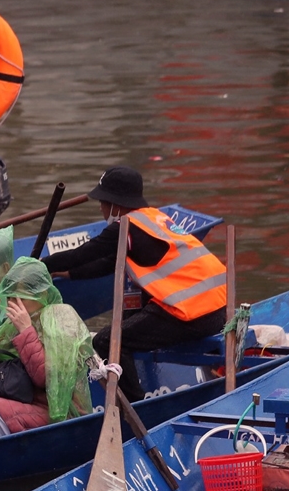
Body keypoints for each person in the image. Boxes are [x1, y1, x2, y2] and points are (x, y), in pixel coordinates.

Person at [43, 166, 227, 400]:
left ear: (115, 204)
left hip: (190, 314)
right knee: (130, 322)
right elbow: (106, 263)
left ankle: (134, 407)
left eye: (102, 202)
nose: (101, 208)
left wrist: (40, 264)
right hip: (218, 310)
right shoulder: (155, 218)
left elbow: (83, 254)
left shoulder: (125, 227)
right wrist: (66, 273)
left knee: (108, 341)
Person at [0, 258, 95, 433]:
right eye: (10, 296)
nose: (14, 302)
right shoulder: (11, 325)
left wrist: (25, 331)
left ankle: (11, 457)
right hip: (23, 399)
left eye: (21, 295)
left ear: (42, 293)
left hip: (58, 412)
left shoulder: (61, 318)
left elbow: (47, 379)